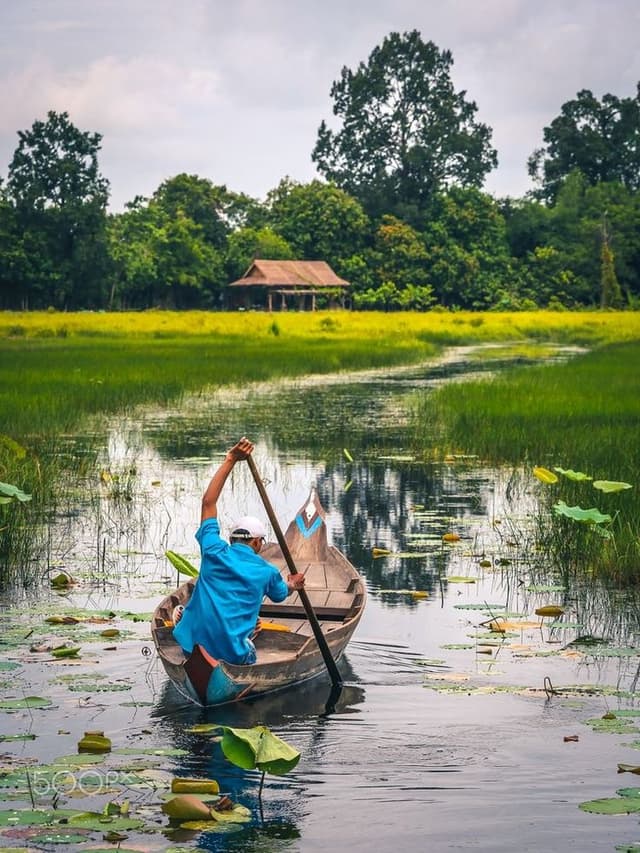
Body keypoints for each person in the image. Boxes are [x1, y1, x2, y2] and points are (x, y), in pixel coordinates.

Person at [172, 437, 305, 665]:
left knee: (191, 617)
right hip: (234, 656)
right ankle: (242, 643)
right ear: (256, 543)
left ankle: (185, 622)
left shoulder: (213, 550)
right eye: (261, 542)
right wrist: (294, 583)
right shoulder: (268, 572)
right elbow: (281, 593)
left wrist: (231, 459)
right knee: (252, 639)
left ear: (232, 539)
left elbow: (207, 503)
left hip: (191, 647)